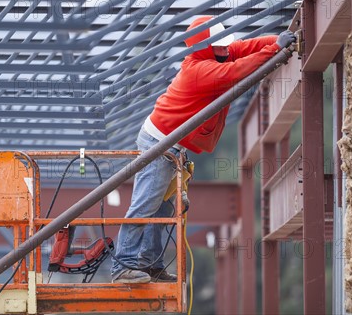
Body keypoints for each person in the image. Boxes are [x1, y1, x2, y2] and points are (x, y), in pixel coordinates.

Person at [110, 16, 296, 283]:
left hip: (169, 142)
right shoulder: (200, 71)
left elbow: (244, 47)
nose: (225, 50)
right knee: (145, 205)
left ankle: (149, 263)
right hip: (160, 142)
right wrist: (276, 49)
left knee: (161, 209)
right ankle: (122, 266)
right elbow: (236, 72)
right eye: (219, 47)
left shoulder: (217, 55)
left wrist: (279, 38)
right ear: (206, 47)